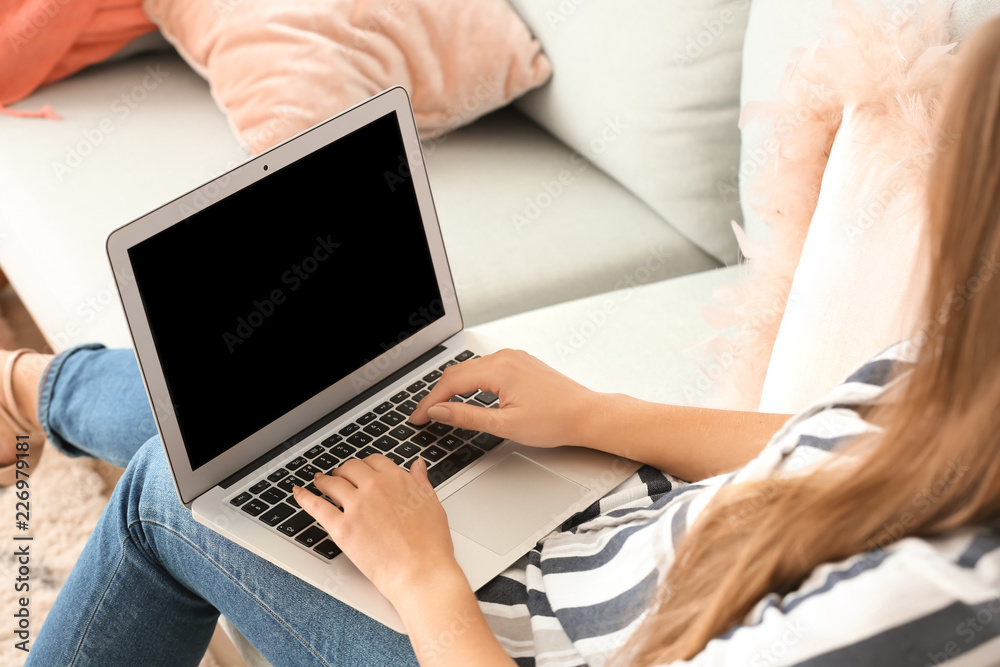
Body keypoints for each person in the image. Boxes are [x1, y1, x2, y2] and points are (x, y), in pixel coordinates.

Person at [6, 15, 1000, 667]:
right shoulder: (972, 392)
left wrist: (426, 578)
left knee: (169, 496)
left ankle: (33, 390)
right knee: (266, 422)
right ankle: (36, 389)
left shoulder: (926, 603)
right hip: (616, 540)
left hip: (489, 639)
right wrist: (592, 416)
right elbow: (837, 440)